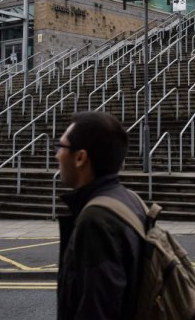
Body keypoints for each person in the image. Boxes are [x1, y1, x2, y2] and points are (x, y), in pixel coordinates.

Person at [56, 111, 146, 319]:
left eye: (61, 147)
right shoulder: (130, 199)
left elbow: (97, 310)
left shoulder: (96, 220)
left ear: (80, 158)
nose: (57, 155)